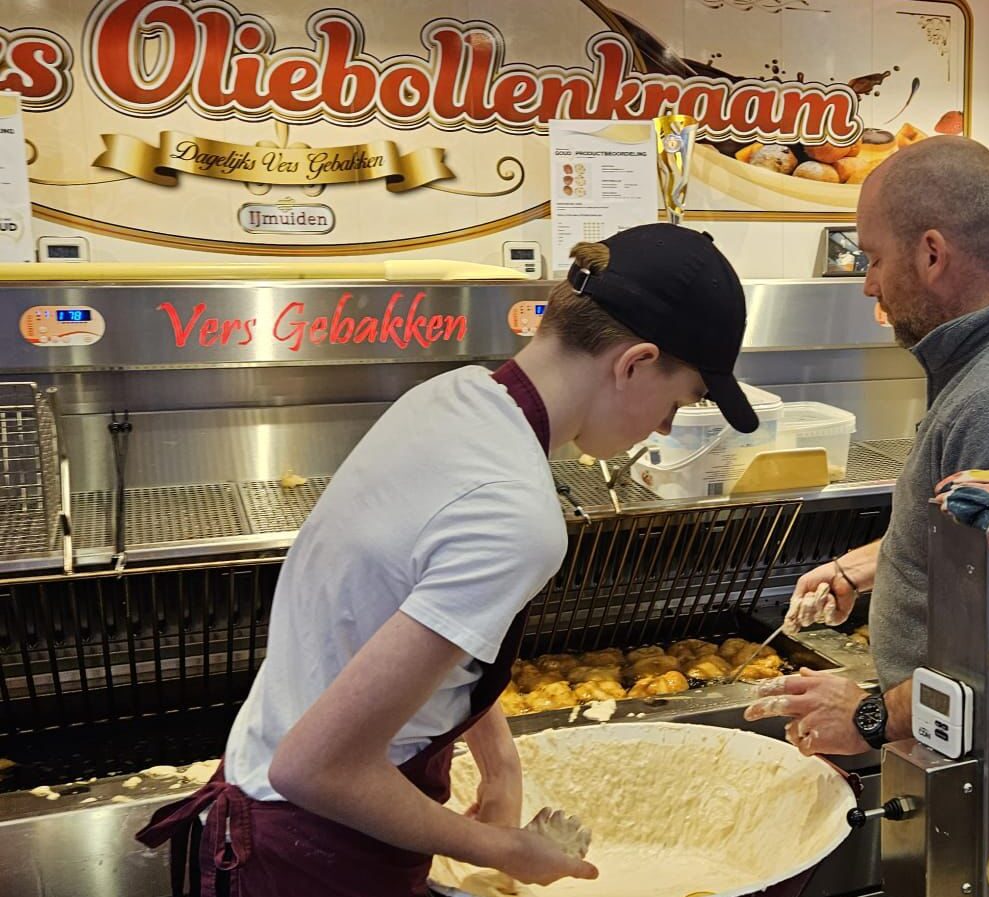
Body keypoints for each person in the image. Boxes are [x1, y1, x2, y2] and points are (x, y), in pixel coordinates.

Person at [137, 224, 761, 896]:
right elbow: (314, 768)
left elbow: (413, 622)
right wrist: (505, 849)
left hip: (257, 805)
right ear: (634, 363)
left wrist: (500, 763)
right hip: (306, 851)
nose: (664, 426)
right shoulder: (516, 516)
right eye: (679, 401)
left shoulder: (451, 399)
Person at [745, 136, 989, 897]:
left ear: (931, 253)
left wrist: (868, 715)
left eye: (872, 257)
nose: (867, 282)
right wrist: (870, 564)